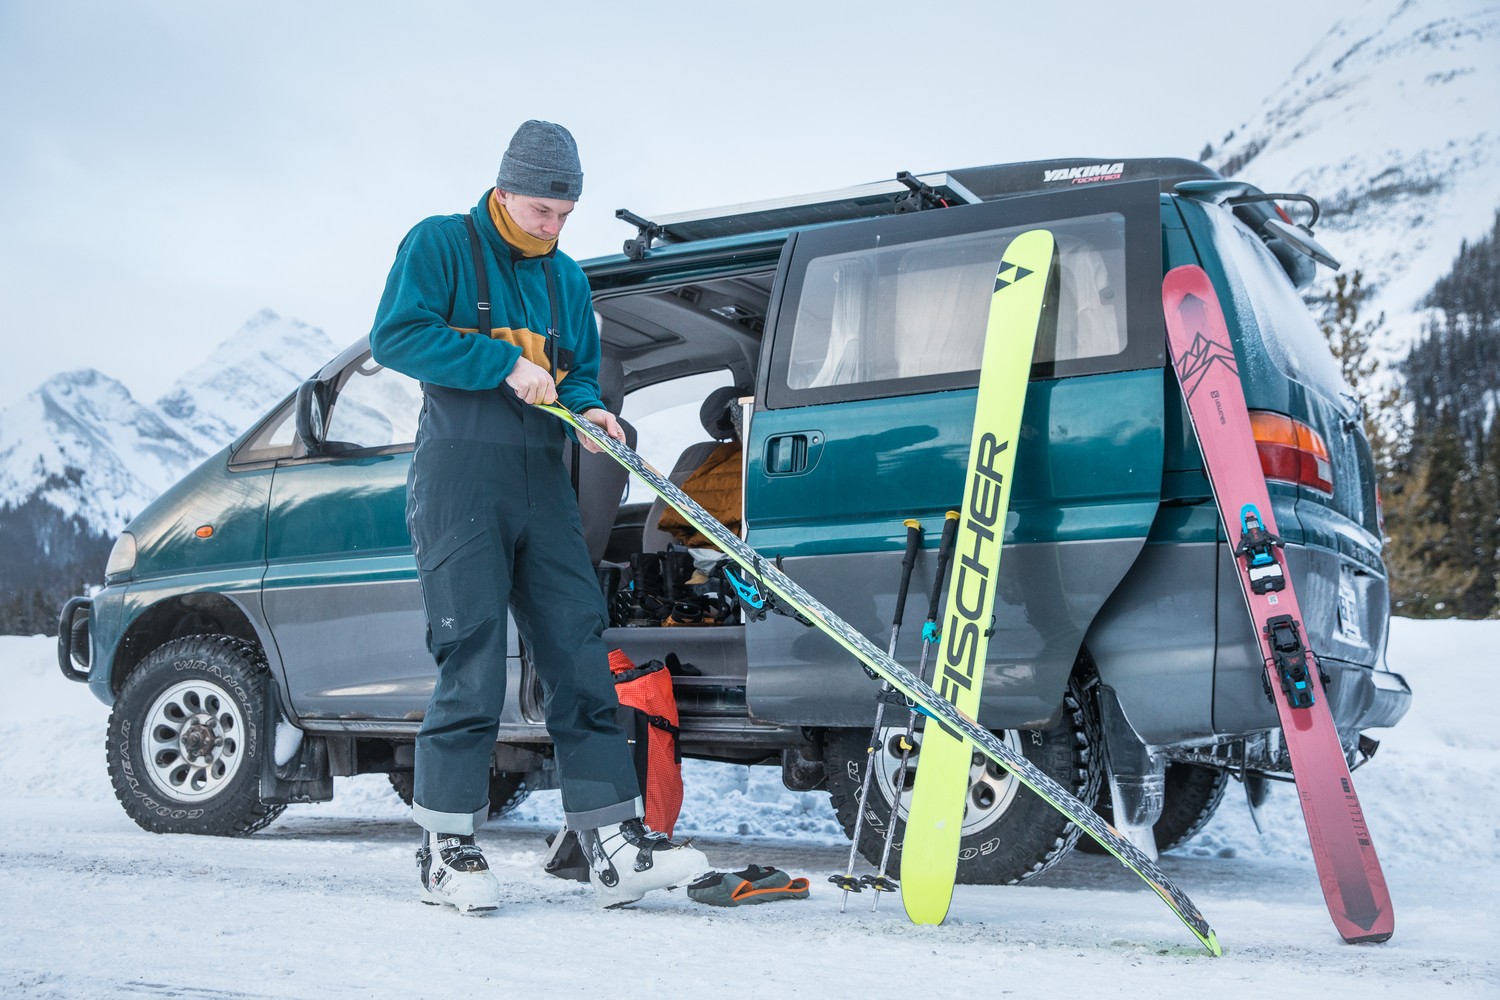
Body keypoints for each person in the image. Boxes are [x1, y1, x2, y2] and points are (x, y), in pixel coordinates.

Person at [369, 120, 709, 914]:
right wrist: (500, 362)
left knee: (579, 648)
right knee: (473, 658)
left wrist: (595, 412)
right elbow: (397, 335)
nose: (554, 228)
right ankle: (447, 845)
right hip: (461, 478)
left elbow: (581, 373)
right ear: (503, 187)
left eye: (566, 213)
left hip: (543, 483)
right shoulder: (440, 245)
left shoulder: (567, 281)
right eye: (542, 211)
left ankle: (612, 842)